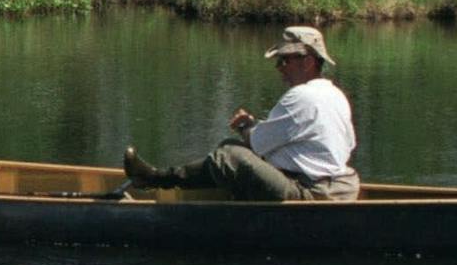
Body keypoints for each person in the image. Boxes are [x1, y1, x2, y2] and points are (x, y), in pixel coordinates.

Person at [123, 25, 360, 201]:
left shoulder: (301, 96)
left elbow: (257, 145)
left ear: (307, 61)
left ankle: (155, 179)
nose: (279, 69)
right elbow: (346, 146)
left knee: (229, 155)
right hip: (344, 189)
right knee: (231, 150)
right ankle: (226, 198)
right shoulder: (336, 96)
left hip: (312, 194)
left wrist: (246, 127)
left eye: (284, 61)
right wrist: (255, 128)